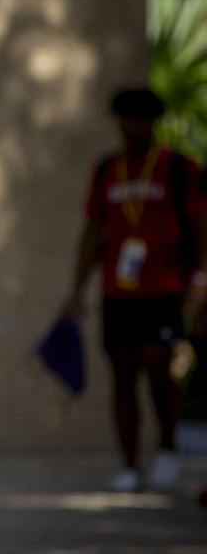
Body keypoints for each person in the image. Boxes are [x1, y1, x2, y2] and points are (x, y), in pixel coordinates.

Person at [61, 86, 207, 492]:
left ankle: (166, 444)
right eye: (126, 119)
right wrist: (77, 287)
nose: (133, 127)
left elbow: (199, 227)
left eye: (141, 119)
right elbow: (94, 229)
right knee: (123, 373)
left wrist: (199, 279)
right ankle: (129, 465)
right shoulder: (108, 169)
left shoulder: (179, 168)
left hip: (164, 288)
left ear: (153, 123)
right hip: (118, 290)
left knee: (159, 363)